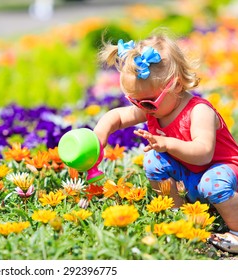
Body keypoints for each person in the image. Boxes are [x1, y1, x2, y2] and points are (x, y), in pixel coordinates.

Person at [93, 31, 238, 254]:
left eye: (148, 103)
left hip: (222, 171)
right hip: (194, 175)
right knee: (153, 160)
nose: (141, 108)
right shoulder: (155, 106)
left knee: (212, 183)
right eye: (134, 101)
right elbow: (118, 117)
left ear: (177, 86)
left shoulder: (199, 111)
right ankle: (180, 216)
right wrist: (99, 136)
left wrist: (167, 143)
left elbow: (204, 154)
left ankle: (236, 230)